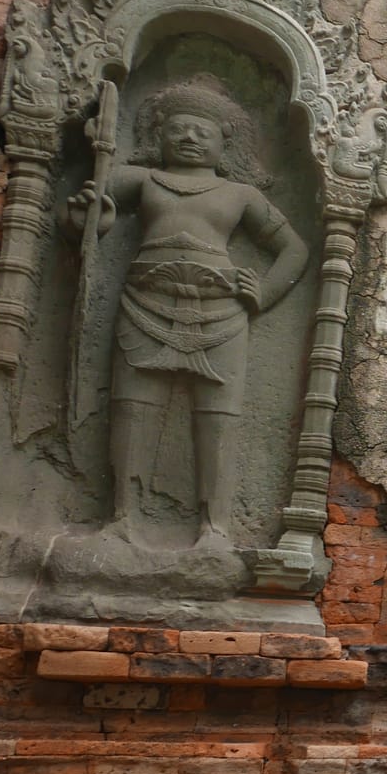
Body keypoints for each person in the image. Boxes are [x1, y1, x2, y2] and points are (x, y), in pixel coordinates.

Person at [72, 75, 308, 545]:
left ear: (226, 143)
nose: (189, 138)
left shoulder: (240, 195)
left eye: (203, 132)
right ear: (157, 137)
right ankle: (121, 517)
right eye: (178, 129)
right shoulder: (139, 179)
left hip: (221, 313)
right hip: (146, 302)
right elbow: (86, 218)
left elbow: (294, 250)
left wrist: (262, 291)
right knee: (130, 408)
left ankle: (214, 527)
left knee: (217, 417)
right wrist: (85, 220)